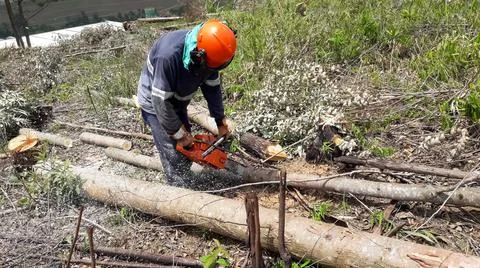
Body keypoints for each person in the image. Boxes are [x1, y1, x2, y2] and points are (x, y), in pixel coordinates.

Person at [136, 19, 237, 186]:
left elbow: (212, 89)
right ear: (199, 56)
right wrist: (179, 135)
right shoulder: (168, 56)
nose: (212, 71)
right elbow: (160, 102)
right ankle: (178, 190)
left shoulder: (212, 55)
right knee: (175, 152)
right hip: (156, 104)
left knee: (187, 149)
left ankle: (185, 180)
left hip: (177, 101)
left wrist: (220, 121)